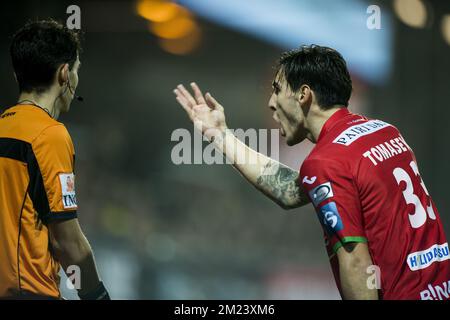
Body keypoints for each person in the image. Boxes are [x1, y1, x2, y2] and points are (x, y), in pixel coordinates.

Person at [174, 45, 450, 300]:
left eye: (277, 89)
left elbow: (355, 260)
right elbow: (291, 192)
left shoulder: (328, 161)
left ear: (303, 95)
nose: (271, 102)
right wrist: (220, 135)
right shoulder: (385, 132)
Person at [0, 19, 109, 300]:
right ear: (64, 74)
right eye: (76, 71)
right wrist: (96, 295)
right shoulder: (50, 135)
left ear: (17, 75)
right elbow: (67, 243)